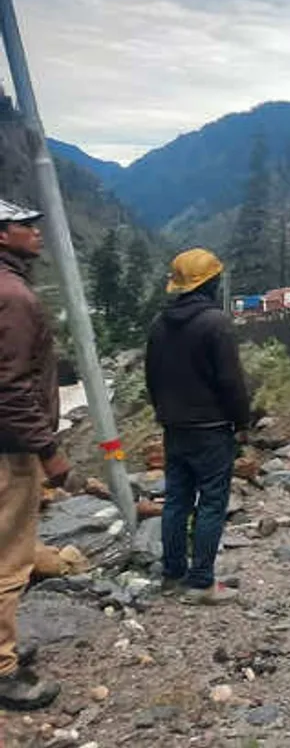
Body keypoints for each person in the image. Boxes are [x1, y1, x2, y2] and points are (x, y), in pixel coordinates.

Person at [145, 248, 251, 605]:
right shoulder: (215, 323)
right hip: (212, 428)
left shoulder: (159, 324)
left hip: (175, 429)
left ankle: (172, 574)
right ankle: (201, 581)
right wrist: (242, 423)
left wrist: (166, 414)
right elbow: (231, 381)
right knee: (211, 502)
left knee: (176, 499)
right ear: (211, 283)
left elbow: (152, 378)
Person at [0, 199, 67, 711]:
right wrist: (49, 449)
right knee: (8, 559)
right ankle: (4, 671)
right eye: (26, 226)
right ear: (4, 236)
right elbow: (11, 387)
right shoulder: (14, 296)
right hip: (9, 450)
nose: (36, 233)